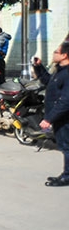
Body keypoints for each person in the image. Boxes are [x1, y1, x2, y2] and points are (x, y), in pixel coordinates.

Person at [40, 42, 69, 187]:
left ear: (64, 55)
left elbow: (66, 100)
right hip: (59, 118)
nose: (54, 53)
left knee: (67, 147)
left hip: (64, 119)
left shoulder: (67, 73)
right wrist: (38, 67)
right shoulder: (60, 70)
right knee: (65, 147)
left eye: (56, 52)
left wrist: (49, 119)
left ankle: (67, 176)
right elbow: (48, 82)